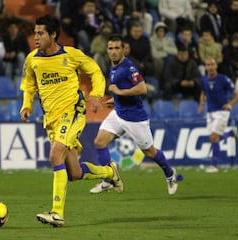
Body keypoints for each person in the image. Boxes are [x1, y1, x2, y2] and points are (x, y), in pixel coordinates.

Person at [19, 14, 123, 227]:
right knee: (74, 173)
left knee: (55, 154)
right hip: (51, 119)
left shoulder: (71, 55)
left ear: (53, 35)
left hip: (73, 111)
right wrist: (26, 104)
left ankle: (57, 213)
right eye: (35, 33)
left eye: (41, 33)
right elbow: (29, 85)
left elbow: (95, 70)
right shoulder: (32, 60)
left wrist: (95, 94)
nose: (36, 37)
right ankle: (110, 172)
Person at [89, 34, 178, 195]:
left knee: (149, 152)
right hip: (119, 113)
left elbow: (142, 88)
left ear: (124, 49)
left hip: (134, 117)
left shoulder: (129, 67)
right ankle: (108, 180)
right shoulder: (113, 66)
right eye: (110, 48)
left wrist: (119, 92)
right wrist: (116, 100)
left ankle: (170, 174)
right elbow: (122, 92)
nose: (113, 51)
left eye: (117, 48)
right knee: (100, 142)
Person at [198, 58, 238, 173]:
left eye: (212, 64)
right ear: (205, 67)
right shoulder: (204, 80)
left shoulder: (223, 79)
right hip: (210, 112)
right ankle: (231, 133)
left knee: (213, 137)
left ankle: (214, 166)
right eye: (208, 65)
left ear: (216, 66)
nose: (210, 67)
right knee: (213, 138)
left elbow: (237, 94)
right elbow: (203, 92)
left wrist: (230, 104)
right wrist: (201, 105)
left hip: (222, 111)